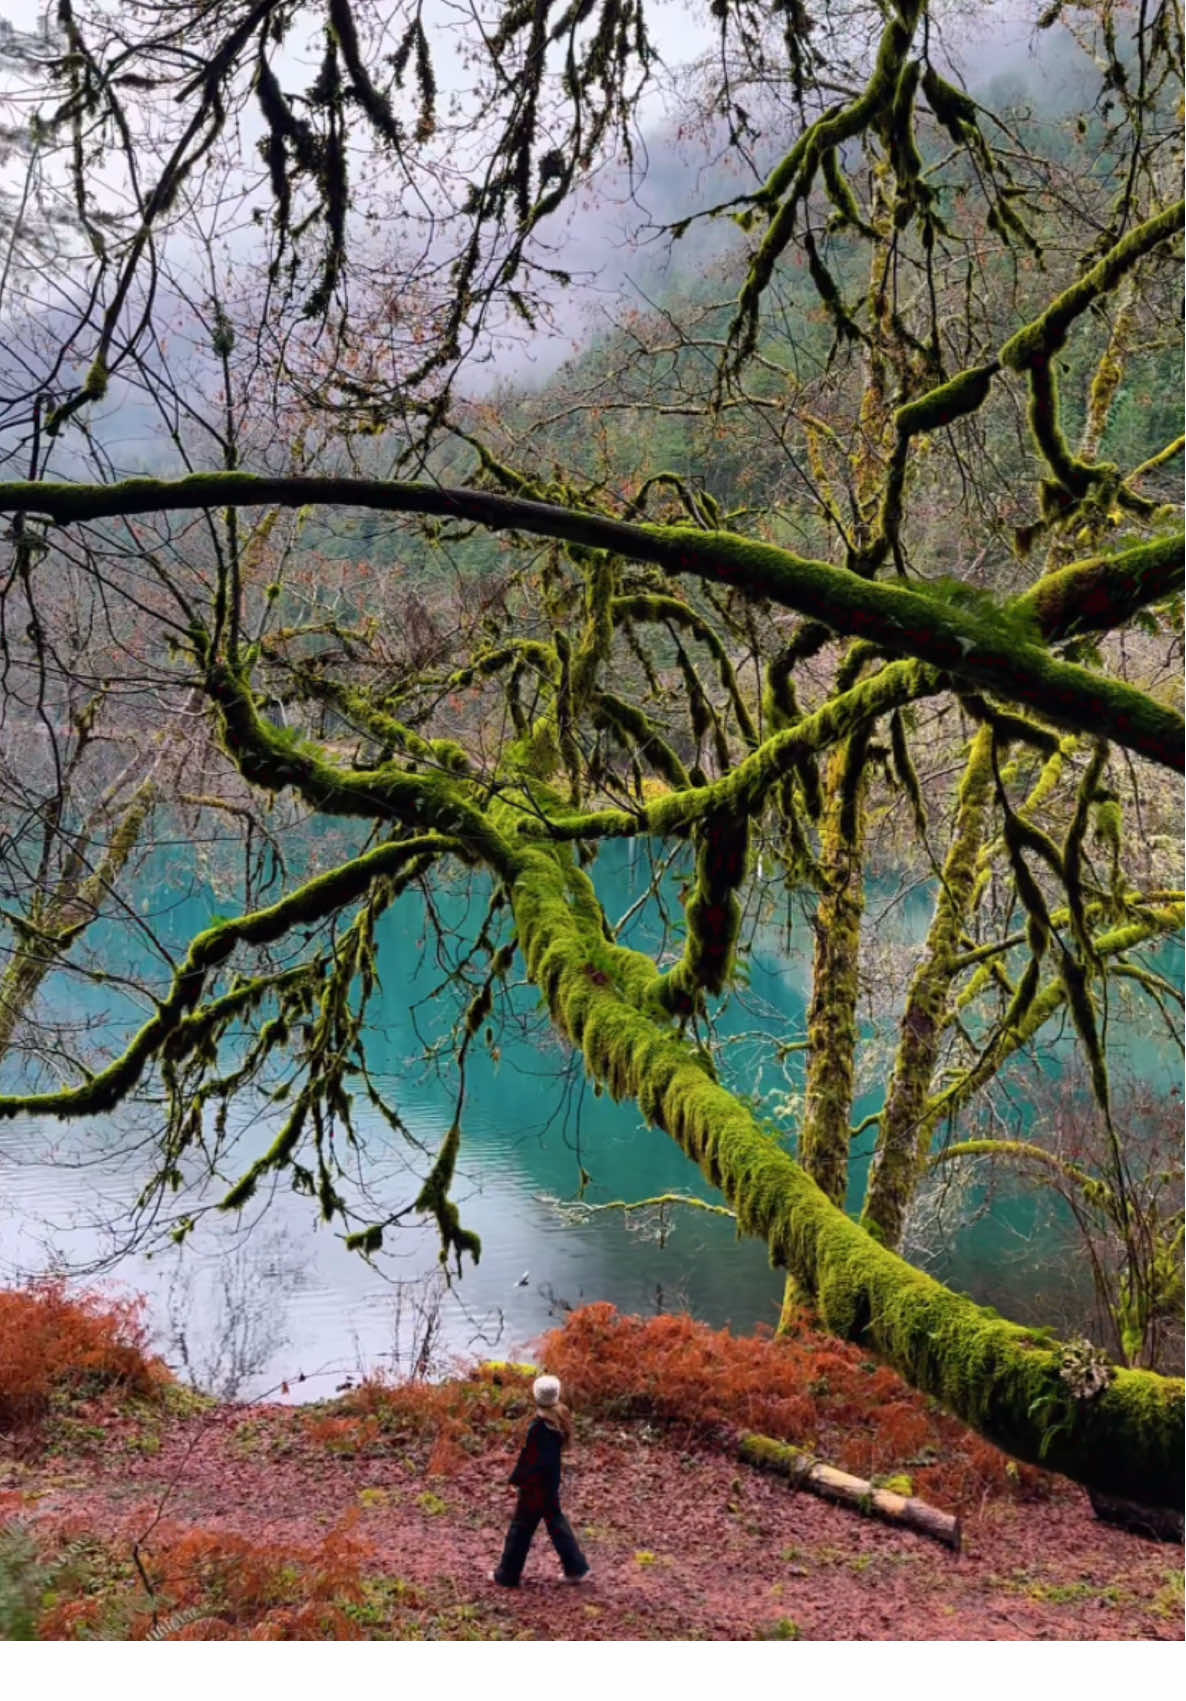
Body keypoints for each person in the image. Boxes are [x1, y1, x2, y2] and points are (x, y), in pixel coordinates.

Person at [490, 1373, 592, 1587]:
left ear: (537, 1397)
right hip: (549, 1483)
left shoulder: (540, 1427)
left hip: (535, 1487)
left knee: (520, 1529)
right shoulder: (558, 1420)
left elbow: (532, 1460)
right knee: (555, 1522)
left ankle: (507, 1575)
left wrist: (518, 1480)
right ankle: (576, 1567)